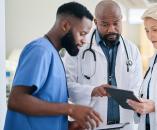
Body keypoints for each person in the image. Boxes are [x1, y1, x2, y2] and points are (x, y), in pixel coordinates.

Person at [4, 2, 103, 130]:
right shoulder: (40, 50)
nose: (84, 41)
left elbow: (45, 105)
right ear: (65, 25)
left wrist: (68, 125)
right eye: (82, 33)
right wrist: (71, 109)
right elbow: (16, 100)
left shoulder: (55, 55)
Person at [63, 0, 143, 125]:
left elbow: (138, 87)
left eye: (116, 23)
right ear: (96, 22)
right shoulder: (78, 46)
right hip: (90, 124)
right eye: (105, 24)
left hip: (125, 124)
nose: (111, 29)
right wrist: (92, 91)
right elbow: (66, 87)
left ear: (121, 19)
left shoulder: (132, 50)